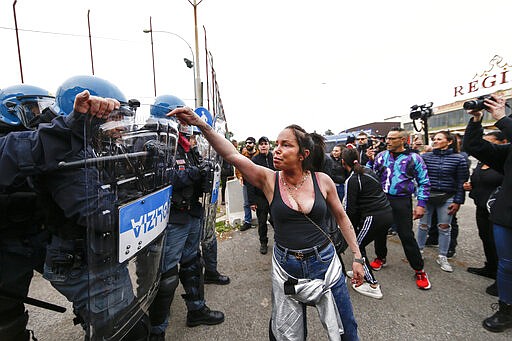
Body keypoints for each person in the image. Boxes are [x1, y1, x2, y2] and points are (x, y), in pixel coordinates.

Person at [169, 107, 365, 340]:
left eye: (286, 145)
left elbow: (342, 218)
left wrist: (357, 257)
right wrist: (200, 124)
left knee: (347, 332)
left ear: (302, 154)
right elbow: (232, 155)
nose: (276, 150)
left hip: (325, 265)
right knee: (284, 335)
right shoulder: (269, 179)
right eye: (277, 143)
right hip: (286, 267)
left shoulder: (322, 181)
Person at [147, 95, 224, 341]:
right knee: (166, 275)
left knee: (192, 263)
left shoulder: (186, 145)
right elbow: (166, 178)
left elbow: (197, 171)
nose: (185, 123)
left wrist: (205, 174)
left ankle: (197, 309)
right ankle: (157, 330)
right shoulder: (155, 142)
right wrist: (196, 172)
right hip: (172, 219)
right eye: (179, 117)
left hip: (191, 213)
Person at [0, 84, 56, 341]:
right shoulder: (9, 143)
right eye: (33, 108)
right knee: (6, 311)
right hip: (9, 241)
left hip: (40, 233)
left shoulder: (38, 141)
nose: (39, 114)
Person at [463, 92, 512, 333]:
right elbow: (473, 146)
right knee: (507, 265)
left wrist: (502, 117)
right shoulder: (508, 152)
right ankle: (506, 309)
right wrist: (476, 119)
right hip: (507, 216)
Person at [366, 127, 432, 290]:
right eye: (387, 138)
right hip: (382, 200)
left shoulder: (414, 158)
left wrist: (421, 204)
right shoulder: (381, 156)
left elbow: (424, 182)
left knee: (406, 235)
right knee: (379, 232)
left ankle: (419, 269)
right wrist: (369, 161)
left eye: (392, 139)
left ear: (403, 140)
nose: (387, 141)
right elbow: (372, 175)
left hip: (402, 201)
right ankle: (381, 257)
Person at [342, 148, 393, 299]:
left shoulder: (352, 179)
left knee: (357, 246)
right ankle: (361, 268)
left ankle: (372, 285)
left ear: (343, 162)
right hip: (387, 213)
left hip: (374, 217)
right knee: (360, 243)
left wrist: (347, 228)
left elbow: (350, 209)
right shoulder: (367, 171)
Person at [416, 131, 469, 273]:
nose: (435, 141)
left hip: (447, 197)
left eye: (439, 139)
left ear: (449, 141)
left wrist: (458, 201)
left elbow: (461, 182)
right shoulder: (425, 157)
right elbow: (419, 178)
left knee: (445, 227)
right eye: (434, 139)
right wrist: (419, 199)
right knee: (423, 226)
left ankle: (443, 256)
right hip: (427, 197)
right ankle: (418, 252)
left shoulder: (459, 159)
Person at [464, 131, 506, 297]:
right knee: (486, 238)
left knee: (500, 245)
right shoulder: (483, 162)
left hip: (499, 210)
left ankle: (502, 280)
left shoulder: (504, 162)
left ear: (502, 142)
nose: (486, 147)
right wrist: (470, 185)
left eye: (490, 143)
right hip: (481, 207)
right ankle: (490, 268)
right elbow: (478, 180)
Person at [247, 136, 276, 254]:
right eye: (261, 144)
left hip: (274, 195)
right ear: (258, 147)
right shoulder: (254, 161)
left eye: (266, 143)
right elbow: (249, 181)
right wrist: (252, 201)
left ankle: (280, 239)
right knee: (262, 222)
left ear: (269, 145)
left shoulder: (275, 158)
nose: (264, 146)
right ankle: (263, 242)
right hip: (260, 197)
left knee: (276, 219)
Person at [235, 136, 259, 231]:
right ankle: (248, 221)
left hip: (258, 182)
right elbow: (238, 167)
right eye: (246, 143)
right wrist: (240, 177)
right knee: (246, 203)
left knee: (261, 202)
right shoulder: (242, 155)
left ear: (254, 144)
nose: (248, 144)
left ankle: (262, 219)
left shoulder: (259, 154)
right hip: (246, 182)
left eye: (250, 143)